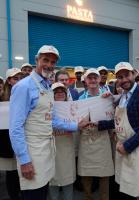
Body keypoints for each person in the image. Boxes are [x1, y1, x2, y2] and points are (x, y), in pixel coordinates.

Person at [9, 45, 88, 200]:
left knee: (42, 193)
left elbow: (51, 119)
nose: (49, 65)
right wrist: (24, 160)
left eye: (53, 62)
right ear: (36, 60)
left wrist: (76, 126)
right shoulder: (24, 87)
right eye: (45, 60)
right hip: (32, 153)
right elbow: (15, 128)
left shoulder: (47, 87)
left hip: (46, 151)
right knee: (33, 195)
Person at [97, 62, 139, 200]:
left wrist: (127, 146)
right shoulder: (122, 96)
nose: (124, 80)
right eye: (120, 77)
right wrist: (98, 124)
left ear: (133, 75)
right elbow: (120, 121)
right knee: (129, 184)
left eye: (126, 75)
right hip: (125, 145)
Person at [78, 68, 114, 200]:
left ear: (99, 79)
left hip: (102, 136)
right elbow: (76, 119)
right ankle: (88, 197)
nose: (93, 80)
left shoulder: (107, 96)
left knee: (104, 173)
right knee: (86, 173)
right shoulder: (81, 98)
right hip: (86, 138)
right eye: (90, 78)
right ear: (85, 81)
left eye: (95, 78)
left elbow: (115, 120)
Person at [0, 68, 23, 200]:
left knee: (23, 171)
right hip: (6, 141)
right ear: (9, 81)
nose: (18, 81)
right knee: (11, 173)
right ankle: (13, 197)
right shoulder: (1, 98)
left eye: (20, 78)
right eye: (15, 78)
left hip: (24, 138)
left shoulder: (26, 95)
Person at [48, 83, 76, 200]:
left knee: (68, 180)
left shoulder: (73, 108)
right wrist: (75, 126)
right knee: (52, 180)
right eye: (56, 92)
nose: (59, 94)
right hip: (51, 150)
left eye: (62, 92)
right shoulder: (47, 108)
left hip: (67, 150)